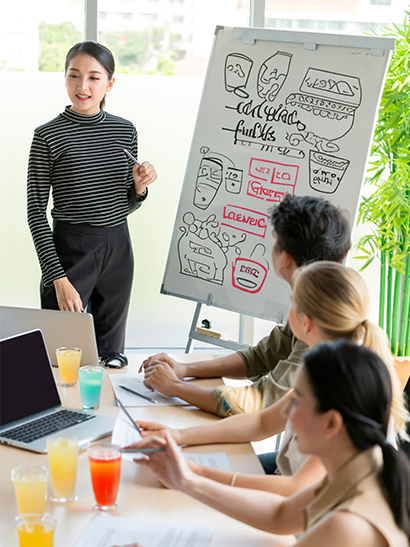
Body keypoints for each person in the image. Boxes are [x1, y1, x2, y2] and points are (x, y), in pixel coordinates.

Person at [132, 261, 409, 493]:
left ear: (306, 321)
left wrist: (193, 474)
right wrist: (177, 435)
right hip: (289, 477)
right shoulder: (325, 364)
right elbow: (263, 421)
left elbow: (294, 490)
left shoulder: (345, 389)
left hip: (306, 504)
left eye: (292, 303)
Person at [134, 341, 410, 547]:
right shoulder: (364, 466)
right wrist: (186, 480)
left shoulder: (347, 528)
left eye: (297, 402)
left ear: (331, 423)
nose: (287, 414)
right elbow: (281, 514)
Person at [140, 195, 351, 416]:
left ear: (285, 258)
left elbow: (258, 403)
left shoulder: (321, 324)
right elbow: (261, 357)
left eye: (274, 240)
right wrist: (183, 369)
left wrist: (174, 387)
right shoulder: (315, 299)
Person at [27, 41, 157, 359]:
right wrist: (57, 277)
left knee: (112, 356)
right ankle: (63, 411)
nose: (82, 86)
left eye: (94, 77)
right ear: (65, 78)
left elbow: (124, 204)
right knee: (61, 355)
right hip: (70, 249)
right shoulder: (47, 136)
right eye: (74, 75)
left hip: (118, 248)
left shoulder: (125, 131)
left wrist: (139, 189)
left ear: (109, 83)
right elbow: (35, 213)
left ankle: (105, 410)